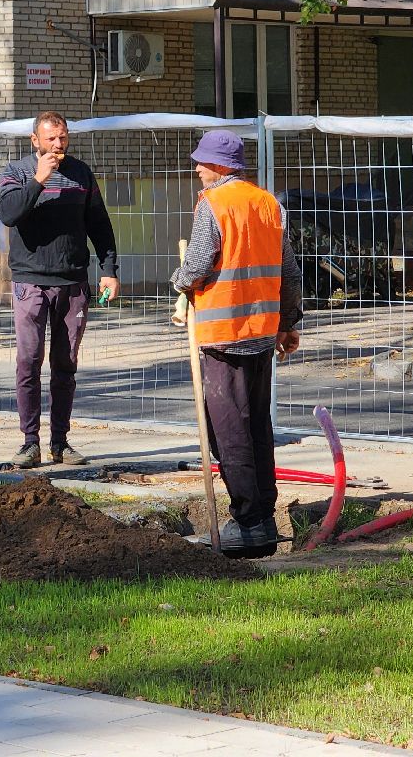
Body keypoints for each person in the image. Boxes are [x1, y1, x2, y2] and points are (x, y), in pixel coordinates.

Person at [172, 129, 302, 557]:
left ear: (222, 167)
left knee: (229, 432)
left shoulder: (214, 204)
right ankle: (263, 512)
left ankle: (248, 523)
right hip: (262, 334)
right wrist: (289, 323)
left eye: (203, 163)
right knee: (257, 426)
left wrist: (179, 283)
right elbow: (289, 271)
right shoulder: (270, 204)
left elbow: (198, 262)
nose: (197, 169)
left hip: (223, 336)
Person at [0, 110, 119, 469]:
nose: (58, 144)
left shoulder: (81, 174)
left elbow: (99, 223)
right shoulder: (16, 172)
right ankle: (29, 442)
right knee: (28, 362)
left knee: (65, 366)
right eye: (50, 138)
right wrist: (39, 179)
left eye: (62, 137)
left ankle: (60, 443)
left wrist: (109, 270)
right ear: (34, 140)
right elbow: (8, 214)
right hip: (30, 282)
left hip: (73, 283)